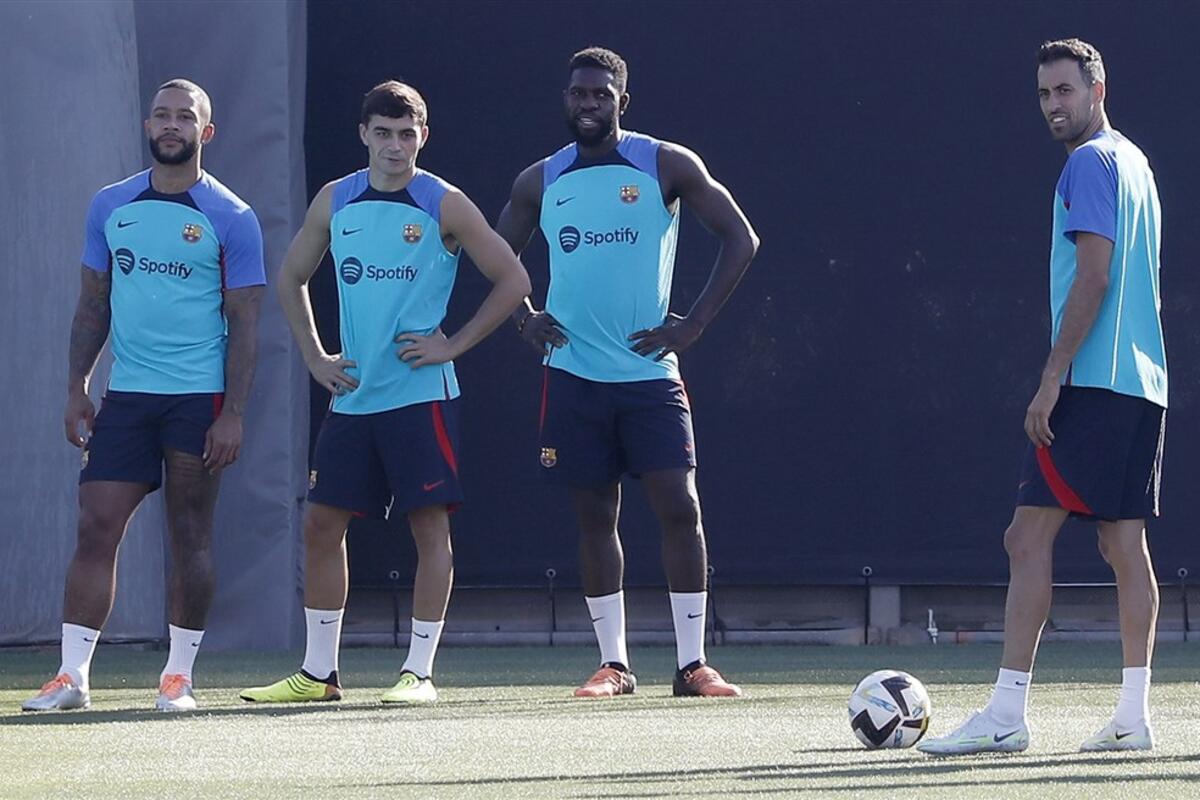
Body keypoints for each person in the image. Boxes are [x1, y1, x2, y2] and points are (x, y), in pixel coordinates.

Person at [240, 80, 530, 705]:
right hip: (353, 398)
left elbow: (514, 279)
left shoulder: (445, 203)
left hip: (421, 398)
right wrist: (316, 356)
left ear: (423, 136)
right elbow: (291, 278)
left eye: (406, 133)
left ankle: (418, 673)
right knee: (321, 524)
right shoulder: (335, 198)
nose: (395, 145)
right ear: (364, 135)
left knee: (428, 529)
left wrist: (452, 345)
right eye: (383, 133)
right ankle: (318, 675)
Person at [919, 38, 1167, 755]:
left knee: (1025, 539)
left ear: (1098, 89)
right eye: (1043, 94)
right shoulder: (1136, 162)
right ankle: (1132, 716)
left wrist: (1053, 375)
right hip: (1143, 384)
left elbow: (1095, 275)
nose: (1053, 105)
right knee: (1123, 544)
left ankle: (1006, 715)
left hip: (1091, 385)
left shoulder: (1089, 163)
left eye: (1065, 90)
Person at [496, 47, 759, 698]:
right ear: (566, 100)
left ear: (622, 101)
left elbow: (741, 238)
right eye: (578, 94)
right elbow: (496, 255)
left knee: (680, 506)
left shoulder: (664, 163)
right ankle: (613, 664)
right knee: (595, 515)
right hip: (573, 375)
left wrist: (694, 324)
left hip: (649, 376)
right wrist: (523, 319)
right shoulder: (541, 179)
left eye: (601, 94)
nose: (588, 104)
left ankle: (693, 664)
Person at [23, 79, 266, 713]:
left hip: (198, 399)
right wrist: (77, 387)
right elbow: (92, 303)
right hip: (127, 397)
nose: (171, 125)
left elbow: (245, 322)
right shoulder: (110, 205)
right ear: (148, 126)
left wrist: (233, 414)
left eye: (184, 117)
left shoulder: (232, 216)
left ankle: (178, 677)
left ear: (206, 133)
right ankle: (72, 677)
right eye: (161, 115)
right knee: (95, 524)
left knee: (190, 533)